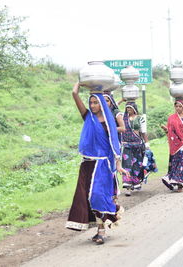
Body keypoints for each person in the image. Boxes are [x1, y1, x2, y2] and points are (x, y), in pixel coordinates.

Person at [66, 82, 129, 245]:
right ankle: (100, 228)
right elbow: (75, 95)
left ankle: (101, 230)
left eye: (95, 102)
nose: (92, 105)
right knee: (87, 198)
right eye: (91, 102)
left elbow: (115, 145)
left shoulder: (110, 122)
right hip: (87, 165)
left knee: (97, 196)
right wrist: (79, 84)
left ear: (101, 103)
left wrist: (118, 165)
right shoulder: (88, 117)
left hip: (103, 165)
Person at [121, 102, 149, 196]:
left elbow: (143, 132)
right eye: (127, 108)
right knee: (127, 165)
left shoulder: (140, 118)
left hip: (138, 145)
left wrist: (147, 143)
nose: (128, 110)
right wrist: (121, 100)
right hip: (127, 145)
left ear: (134, 108)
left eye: (130, 108)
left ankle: (136, 183)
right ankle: (128, 187)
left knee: (137, 165)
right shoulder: (123, 118)